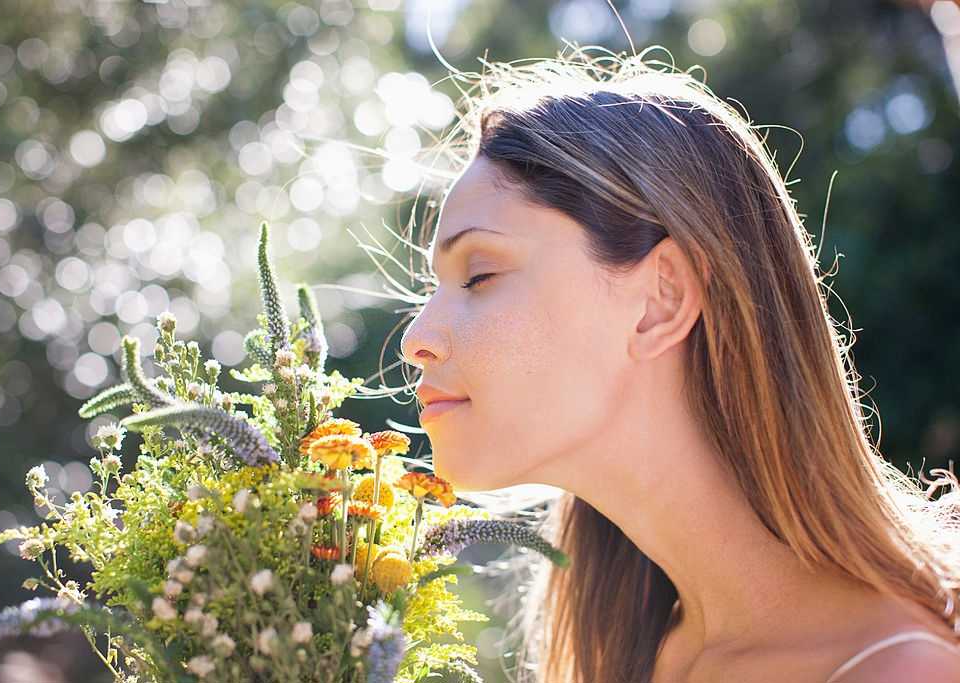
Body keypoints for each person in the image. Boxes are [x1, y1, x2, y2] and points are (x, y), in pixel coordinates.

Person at [394, 46, 960, 682]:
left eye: (480, 274)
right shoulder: (620, 658)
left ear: (659, 301)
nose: (418, 338)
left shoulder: (904, 671)